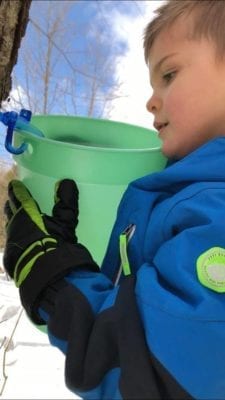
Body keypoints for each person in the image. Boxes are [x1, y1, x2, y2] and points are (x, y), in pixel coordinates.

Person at [3, 1, 225, 398]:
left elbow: (151, 370)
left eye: (169, 74)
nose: (151, 102)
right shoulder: (183, 196)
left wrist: (55, 281)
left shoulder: (217, 209)